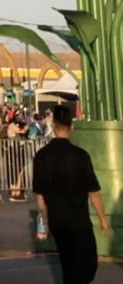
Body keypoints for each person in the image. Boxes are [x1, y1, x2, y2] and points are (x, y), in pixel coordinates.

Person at [32, 103, 110, 284]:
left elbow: (40, 197)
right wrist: (103, 219)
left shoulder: (41, 156)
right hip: (79, 220)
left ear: (53, 125)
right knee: (88, 264)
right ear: (71, 127)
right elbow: (93, 191)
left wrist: (44, 226)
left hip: (58, 221)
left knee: (68, 264)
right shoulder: (80, 155)